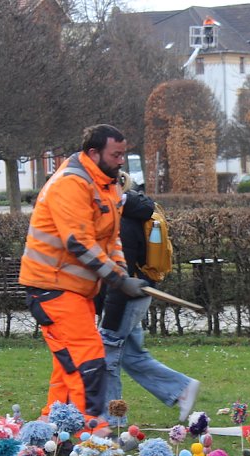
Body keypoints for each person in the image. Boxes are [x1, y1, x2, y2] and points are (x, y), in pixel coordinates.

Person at [19, 125, 148, 437]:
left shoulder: (108, 186)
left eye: (123, 154)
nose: (121, 161)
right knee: (88, 358)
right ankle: (92, 432)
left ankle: (52, 429)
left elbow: (110, 240)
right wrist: (117, 278)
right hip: (52, 286)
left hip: (73, 289)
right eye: (115, 154)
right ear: (93, 153)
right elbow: (78, 242)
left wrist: (122, 275)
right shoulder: (72, 184)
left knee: (68, 367)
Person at [99, 173, 200, 427]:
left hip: (128, 297)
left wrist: (108, 321)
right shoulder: (135, 212)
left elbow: (120, 273)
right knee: (131, 356)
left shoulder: (122, 221)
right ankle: (181, 388)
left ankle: (111, 422)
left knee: (108, 356)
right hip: (139, 294)